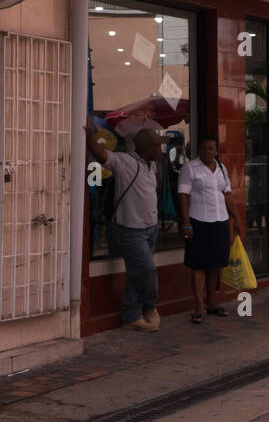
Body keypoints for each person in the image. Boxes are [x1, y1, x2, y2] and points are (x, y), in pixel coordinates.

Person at [86, 120, 162, 332]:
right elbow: (102, 156)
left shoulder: (152, 165)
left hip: (150, 228)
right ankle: (148, 306)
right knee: (146, 270)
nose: (160, 149)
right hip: (129, 229)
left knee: (137, 272)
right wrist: (88, 135)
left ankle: (131, 314)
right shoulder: (124, 161)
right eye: (157, 146)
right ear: (148, 148)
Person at [177, 135, 240, 324]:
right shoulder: (189, 168)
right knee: (198, 264)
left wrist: (236, 218)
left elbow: (227, 194)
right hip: (199, 221)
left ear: (216, 150)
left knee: (215, 263)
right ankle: (199, 306)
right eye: (203, 149)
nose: (207, 152)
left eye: (210, 149)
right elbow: (182, 196)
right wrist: (186, 223)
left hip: (220, 220)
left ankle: (212, 303)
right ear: (198, 151)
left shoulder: (221, 168)